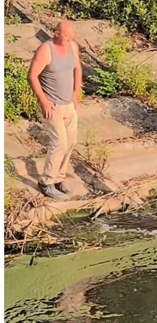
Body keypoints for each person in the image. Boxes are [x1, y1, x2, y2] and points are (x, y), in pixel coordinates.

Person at [28, 21, 82, 199]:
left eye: (71, 37)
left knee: (71, 142)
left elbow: (77, 69)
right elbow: (32, 76)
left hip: (69, 104)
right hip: (53, 105)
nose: (69, 40)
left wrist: (76, 93)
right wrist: (43, 100)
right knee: (59, 143)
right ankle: (46, 182)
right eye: (67, 36)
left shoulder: (72, 46)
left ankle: (59, 179)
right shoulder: (46, 49)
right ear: (57, 33)